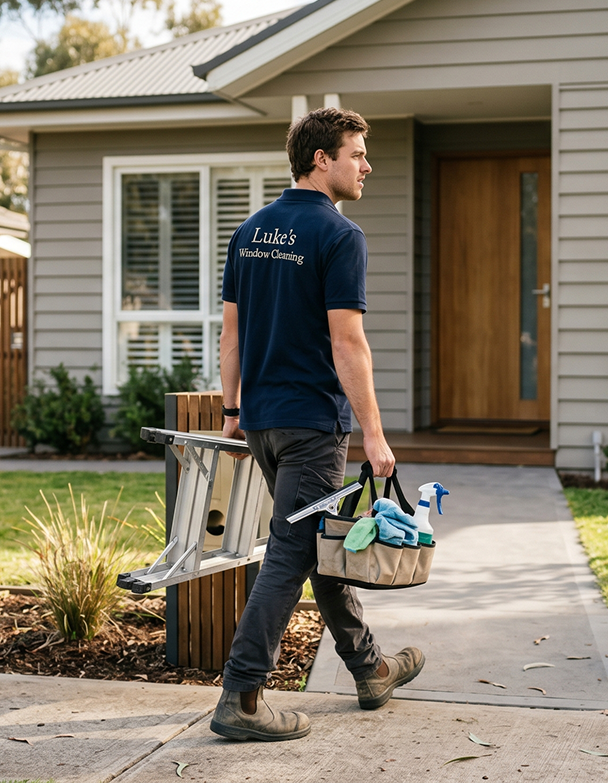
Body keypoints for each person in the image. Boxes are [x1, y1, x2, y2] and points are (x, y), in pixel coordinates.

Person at [210, 107, 424, 741]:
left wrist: (231, 413)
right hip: (310, 428)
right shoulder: (339, 234)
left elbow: (231, 332)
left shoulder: (249, 231)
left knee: (321, 545)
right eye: (356, 153)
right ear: (321, 160)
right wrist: (376, 437)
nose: (366, 164)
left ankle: (369, 669)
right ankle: (242, 698)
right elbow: (348, 341)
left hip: (264, 425)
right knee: (292, 553)